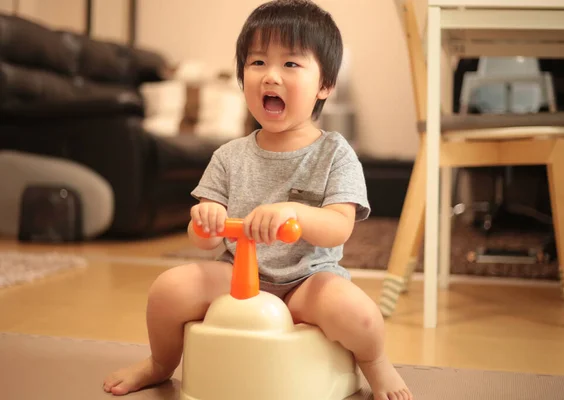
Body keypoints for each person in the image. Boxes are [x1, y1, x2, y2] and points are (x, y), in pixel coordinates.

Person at [103, 1, 412, 399]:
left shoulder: (335, 153)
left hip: (309, 279)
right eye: (258, 62)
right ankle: (161, 363)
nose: (271, 76)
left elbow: (339, 226)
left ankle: (375, 365)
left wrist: (294, 212)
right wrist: (207, 220)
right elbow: (203, 238)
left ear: (325, 84)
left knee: (363, 317)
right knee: (168, 289)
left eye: (291, 65)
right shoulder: (229, 156)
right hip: (236, 276)